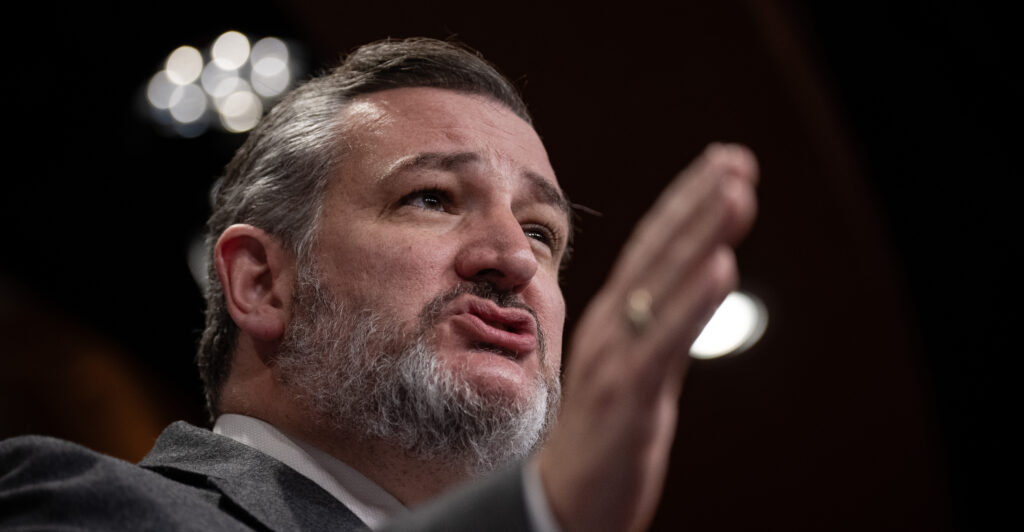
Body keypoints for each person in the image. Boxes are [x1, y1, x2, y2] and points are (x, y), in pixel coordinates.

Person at [0, 38, 758, 531]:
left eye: (541, 232)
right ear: (263, 283)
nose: (514, 259)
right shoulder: (82, 506)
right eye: (431, 198)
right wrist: (535, 511)